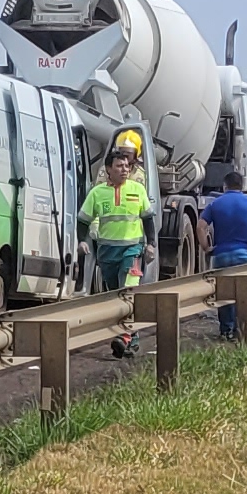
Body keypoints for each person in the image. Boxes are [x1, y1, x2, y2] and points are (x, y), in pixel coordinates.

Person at [80, 145, 153, 350]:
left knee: (127, 290)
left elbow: (148, 219)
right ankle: (132, 336)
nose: (124, 169)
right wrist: (82, 241)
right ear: (108, 170)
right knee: (115, 294)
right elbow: (83, 220)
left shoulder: (138, 190)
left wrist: (152, 245)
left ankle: (126, 337)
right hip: (107, 251)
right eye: (119, 166)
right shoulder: (97, 193)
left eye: (127, 166)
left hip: (132, 248)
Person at [200, 167, 247, 339]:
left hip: (221, 255)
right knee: (243, 294)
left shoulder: (214, 204)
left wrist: (206, 247)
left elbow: (200, 227)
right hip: (244, 254)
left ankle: (225, 329)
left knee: (223, 294)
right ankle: (241, 329)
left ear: (224, 186)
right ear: (241, 186)